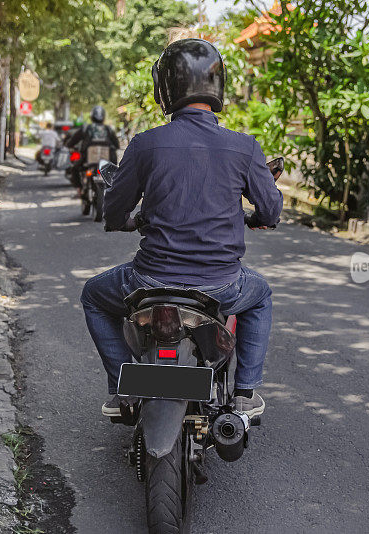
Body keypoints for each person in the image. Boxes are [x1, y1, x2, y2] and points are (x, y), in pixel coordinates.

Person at [80, 38, 283, 418]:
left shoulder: (145, 144)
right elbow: (270, 209)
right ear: (217, 85)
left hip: (149, 282)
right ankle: (244, 393)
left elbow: (113, 210)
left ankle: (122, 386)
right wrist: (258, 218)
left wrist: (129, 220)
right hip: (222, 286)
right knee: (261, 295)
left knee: (93, 295)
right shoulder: (244, 147)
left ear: (166, 88)